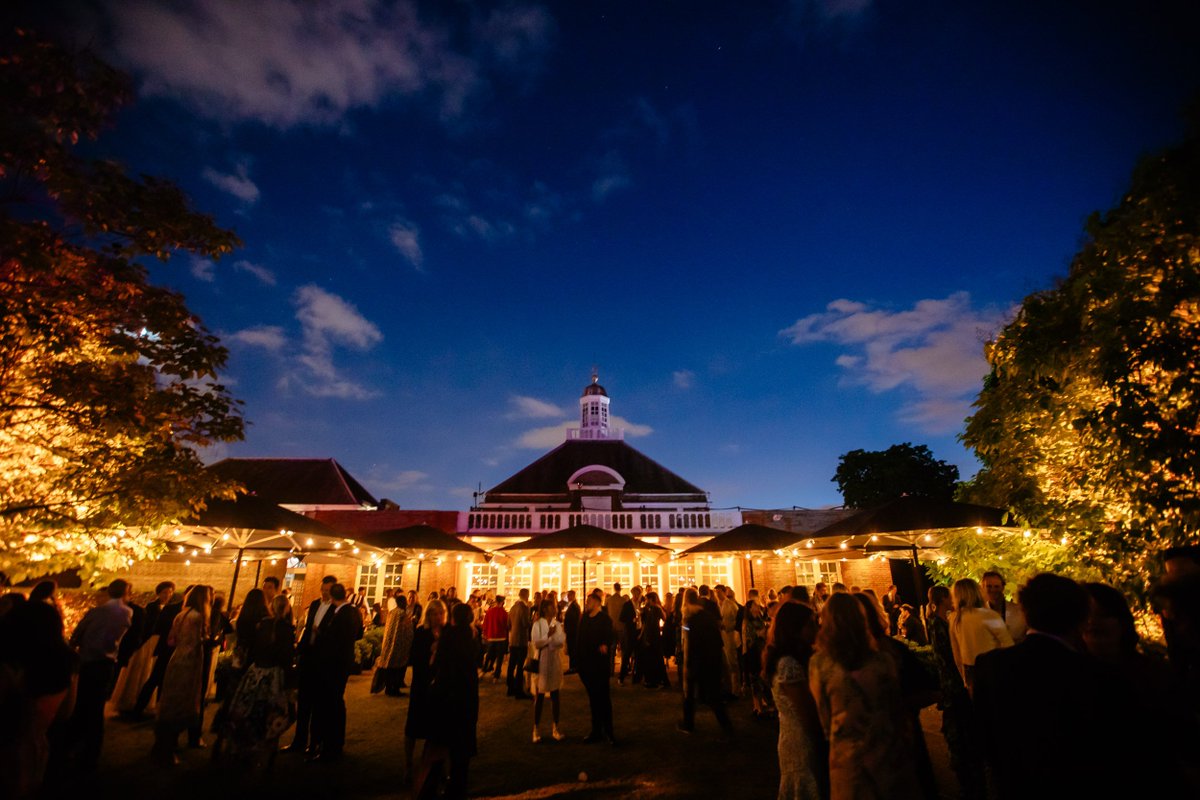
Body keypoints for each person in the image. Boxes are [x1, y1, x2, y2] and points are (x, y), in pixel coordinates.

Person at [974, 573, 1140, 798]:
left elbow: (985, 737)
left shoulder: (990, 665)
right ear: (1082, 618)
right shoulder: (1097, 674)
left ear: (1025, 613)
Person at [809, 592, 919, 800]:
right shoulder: (883, 660)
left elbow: (824, 717)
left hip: (847, 757)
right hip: (887, 751)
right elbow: (896, 708)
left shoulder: (819, 664)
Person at [854, 592, 938, 800]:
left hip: (880, 749)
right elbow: (929, 689)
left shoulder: (889, 651)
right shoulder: (892, 650)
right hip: (898, 744)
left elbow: (928, 689)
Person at [221, 594, 296, 767]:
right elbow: (286, 657)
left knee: (252, 709)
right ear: (286, 609)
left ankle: (246, 746)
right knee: (273, 712)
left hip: (256, 672)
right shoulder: (285, 628)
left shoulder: (262, 625)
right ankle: (267, 752)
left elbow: (253, 649)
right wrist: (291, 681)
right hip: (273, 674)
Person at [66, 579, 132, 771]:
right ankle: (91, 752)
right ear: (126, 593)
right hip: (106, 663)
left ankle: (73, 745)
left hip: (87, 662)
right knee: (96, 708)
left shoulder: (96, 611)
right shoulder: (127, 612)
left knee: (81, 704)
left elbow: (77, 634)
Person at [925, 585, 983, 799]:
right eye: (949, 597)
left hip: (950, 682)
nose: (953, 600)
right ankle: (964, 774)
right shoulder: (939, 624)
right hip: (953, 683)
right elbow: (949, 656)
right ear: (942, 599)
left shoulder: (939, 621)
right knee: (958, 726)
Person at [765, 601, 825, 800]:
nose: (817, 627)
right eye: (811, 624)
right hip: (801, 741)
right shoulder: (788, 664)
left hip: (796, 735)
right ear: (795, 628)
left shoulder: (802, 657)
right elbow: (807, 713)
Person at [422, 602, 480, 799]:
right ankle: (458, 786)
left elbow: (440, 664)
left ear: (453, 618)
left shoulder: (450, 636)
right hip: (468, 695)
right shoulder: (473, 635)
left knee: (443, 744)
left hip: (450, 695)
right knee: (462, 749)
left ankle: (435, 786)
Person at [152, 584, 211, 765]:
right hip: (189, 662)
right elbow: (194, 643)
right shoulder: (197, 617)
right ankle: (167, 750)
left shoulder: (181, 615)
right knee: (181, 705)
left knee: (170, 703)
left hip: (176, 659)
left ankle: (161, 745)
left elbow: (171, 640)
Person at [309, 583, 362, 762]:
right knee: (337, 703)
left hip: (335, 666)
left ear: (332, 597)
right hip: (343, 663)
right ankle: (335, 743)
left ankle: (331, 745)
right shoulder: (354, 611)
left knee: (332, 704)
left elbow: (335, 641)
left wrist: (320, 632)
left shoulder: (342, 614)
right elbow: (359, 634)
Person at [284, 575, 336, 754]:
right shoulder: (314, 604)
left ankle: (314, 742)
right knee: (304, 702)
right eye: (323, 590)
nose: (324, 593)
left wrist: (319, 633)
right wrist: (300, 650)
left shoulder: (336, 610)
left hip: (322, 661)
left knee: (318, 705)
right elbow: (307, 628)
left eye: (328, 591)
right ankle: (298, 740)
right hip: (308, 657)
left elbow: (333, 637)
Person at [678, 588, 733, 738]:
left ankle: (689, 724)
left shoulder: (688, 619)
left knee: (689, 694)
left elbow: (688, 642)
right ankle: (727, 727)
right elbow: (717, 638)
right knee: (713, 696)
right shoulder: (707, 616)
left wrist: (687, 664)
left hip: (697, 660)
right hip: (712, 659)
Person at [129, 584, 187, 719]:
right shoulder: (167, 608)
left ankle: (158, 708)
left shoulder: (175, 608)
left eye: (170, 592)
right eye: (165, 592)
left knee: (160, 679)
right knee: (154, 677)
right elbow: (155, 626)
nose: (168, 595)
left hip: (169, 647)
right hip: (161, 645)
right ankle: (140, 708)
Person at [949, 578, 1013, 695]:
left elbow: (956, 651)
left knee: (980, 707)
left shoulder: (954, 618)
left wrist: (963, 675)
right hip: (993, 667)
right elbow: (1009, 645)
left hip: (969, 669)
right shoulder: (989, 615)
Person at [405, 599, 445, 783]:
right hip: (422, 683)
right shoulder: (422, 632)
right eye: (435, 613)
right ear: (428, 615)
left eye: (441, 613)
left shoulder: (446, 633)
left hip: (439, 686)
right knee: (414, 725)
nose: (438, 617)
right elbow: (414, 657)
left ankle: (432, 765)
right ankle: (408, 764)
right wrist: (431, 653)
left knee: (436, 728)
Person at [576, 589, 615, 744]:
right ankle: (596, 730)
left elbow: (610, 636)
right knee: (593, 699)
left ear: (598, 603)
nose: (587, 603)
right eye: (587, 601)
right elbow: (580, 640)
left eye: (590, 601)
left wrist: (605, 644)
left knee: (604, 699)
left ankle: (609, 731)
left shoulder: (605, 619)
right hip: (587, 665)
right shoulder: (584, 618)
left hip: (600, 665)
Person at [530, 597, 567, 742]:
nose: (555, 609)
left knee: (555, 694)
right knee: (539, 696)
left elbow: (560, 642)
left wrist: (549, 641)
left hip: (554, 661)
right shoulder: (537, 624)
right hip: (541, 661)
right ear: (545, 608)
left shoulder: (557, 624)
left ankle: (555, 727)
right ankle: (536, 728)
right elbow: (536, 643)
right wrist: (549, 637)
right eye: (552, 607)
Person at [378, 591, 414, 696]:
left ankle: (389, 688)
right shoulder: (403, 614)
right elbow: (407, 630)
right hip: (399, 646)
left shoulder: (392, 612)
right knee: (397, 669)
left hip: (389, 645)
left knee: (390, 668)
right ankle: (394, 689)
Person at [980, 570, 1026, 643]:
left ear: (1002, 588)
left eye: (996, 586)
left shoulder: (1018, 610)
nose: (993, 589)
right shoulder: (980, 614)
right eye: (989, 586)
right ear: (982, 587)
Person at [740, 598, 769, 715]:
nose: (758, 607)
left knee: (761, 678)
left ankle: (762, 701)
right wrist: (760, 633)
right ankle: (757, 705)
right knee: (755, 678)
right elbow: (749, 638)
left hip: (762, 650)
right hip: (753, 652)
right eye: (755, 605)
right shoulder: (747, 621)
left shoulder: (760, 619)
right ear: (750, 608)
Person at [639, 591, 669, 689]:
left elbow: (662, 619)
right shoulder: (651, 609)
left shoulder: (655, 609)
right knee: (655, 659)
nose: (646, 600)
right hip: (652, 635)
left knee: (654, 659)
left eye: (647, 599)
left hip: (652, 636)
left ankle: (655, 681)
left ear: (651, 599)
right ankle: (657, 680)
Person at [716, 585, 741, 698]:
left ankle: (735, 689)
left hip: (729, 635)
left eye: (719, 592)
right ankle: (727, 687)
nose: (717, 594)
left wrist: (729, 627)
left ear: (724, 592)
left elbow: (737, 619)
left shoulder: (731, 605)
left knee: (732, 661)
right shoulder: (716, 605)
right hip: (721, 636)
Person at [506, 588, 532, 699]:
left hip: (513, 640)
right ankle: (518, 691)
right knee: (520, 666)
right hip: (521, 640)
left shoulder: (513, 607)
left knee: (511, 665)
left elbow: (508, 624)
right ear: (527, 596)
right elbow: (525, 624)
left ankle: (510, 688)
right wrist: (533, 621)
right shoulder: (524, 608)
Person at [481, 594, 509, 683]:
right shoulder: (504, 613)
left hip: (491, 637)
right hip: (501, 637)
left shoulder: (490, 612)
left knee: (489, 656)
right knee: (499, 658)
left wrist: (485, 634)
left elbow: (485, 624)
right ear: (502, 602)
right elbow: (506, 626)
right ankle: (496, 676)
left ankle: (483, 671)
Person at [563, 590, 582, 674]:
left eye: (569, 595)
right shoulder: (573, 605)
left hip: (572, 632)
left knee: (572, 650)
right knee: (572, 650)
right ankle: (573, 666)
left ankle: (573, 667)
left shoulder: (574, 606)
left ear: (573, 596)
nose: (568, 597)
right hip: (572, 632)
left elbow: (574, 620)